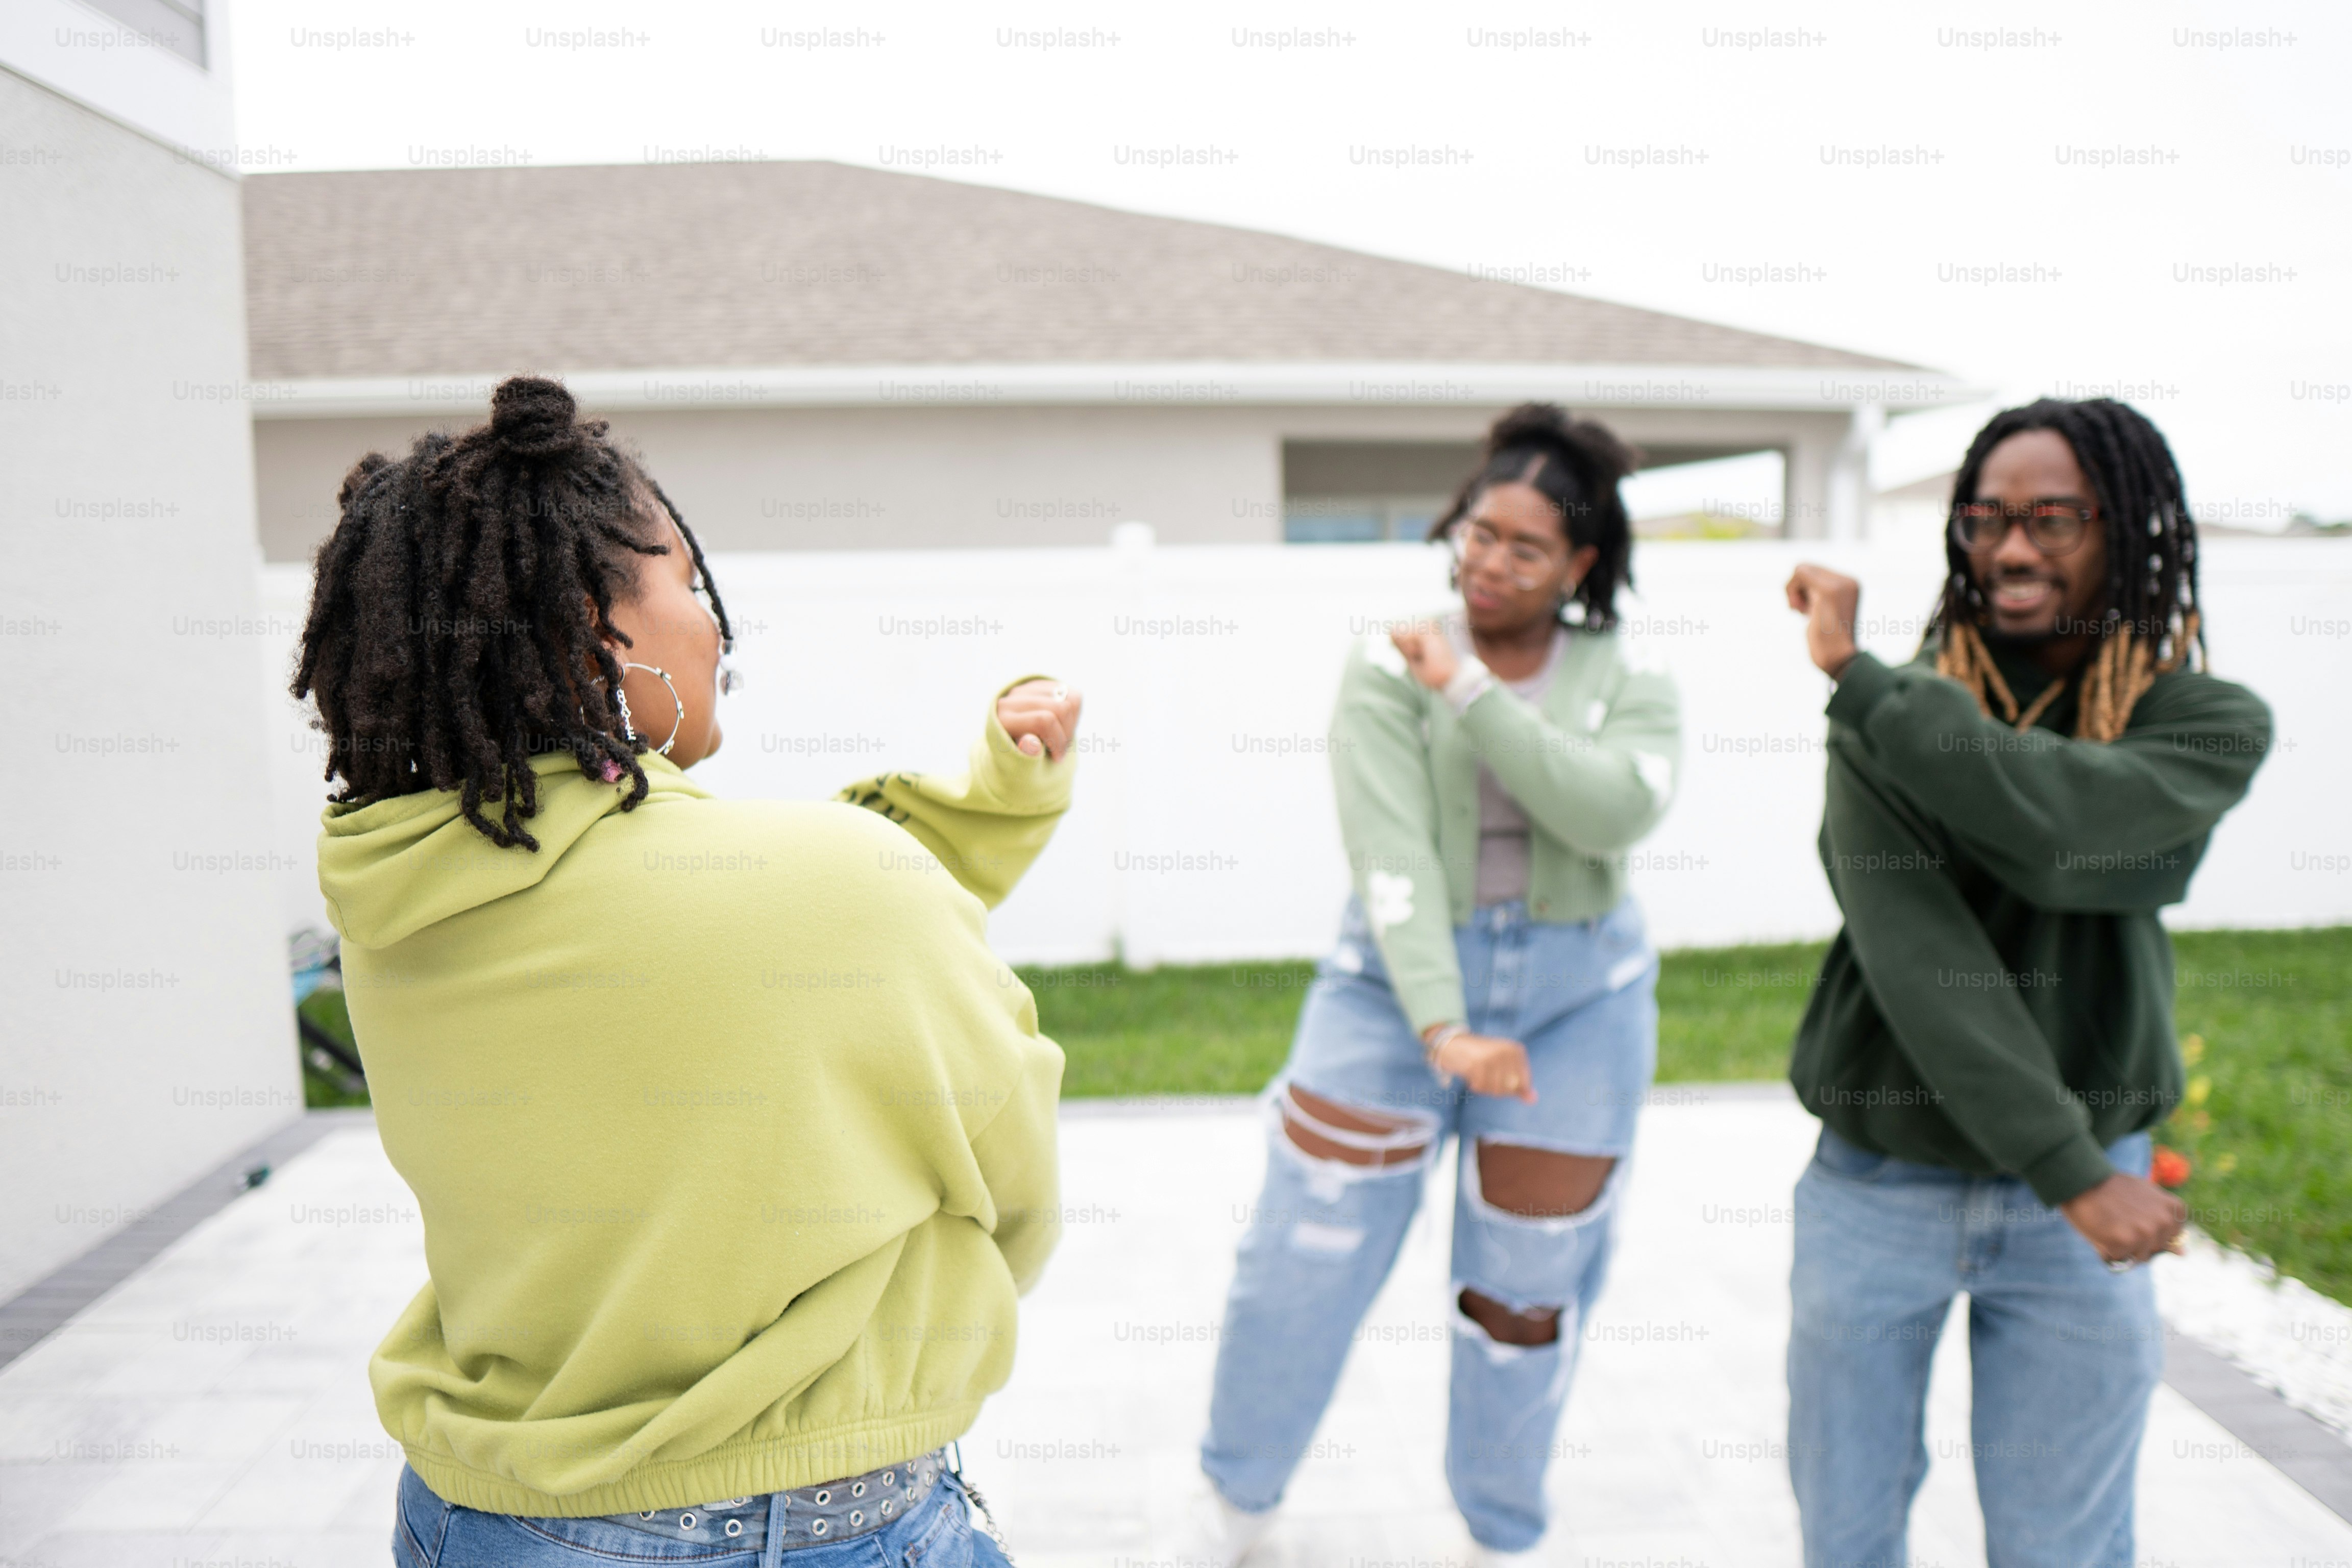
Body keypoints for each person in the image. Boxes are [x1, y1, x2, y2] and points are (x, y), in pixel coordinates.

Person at [294, 377, 1082, 1567]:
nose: (714, 623)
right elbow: (1012, 1194)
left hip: (476, 1515)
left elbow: (738, 918)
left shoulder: (404, 897)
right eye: (687, 583)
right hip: (794, 1531)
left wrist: (991, 799)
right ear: (594, 626)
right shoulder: (837, 892)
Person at [1779, 398, 2271, 1568]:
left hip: (2087, 1199)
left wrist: (1863, 681)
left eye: (2053, 519)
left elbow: (2065, 836)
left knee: (2063, 1545)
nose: (2009, 547)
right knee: (1847, 1532)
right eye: (1986, 519)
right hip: (1883, 1183)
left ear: (2127, 529)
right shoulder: (1888, 713)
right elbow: (1920, 956)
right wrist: (2071, 1170)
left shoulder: (2201, 719)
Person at [1194, 404, 1683, 1564]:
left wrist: (1468, 690)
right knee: (1301, 1262)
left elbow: (1610, 810)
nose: (1490, 561)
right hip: (1390, 988)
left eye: (1527, 547)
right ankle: (1234, 1513)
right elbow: (1392, 854)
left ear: (1581, 564)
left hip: (1580, 1002)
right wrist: (1443, 1024)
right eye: (1480, 531)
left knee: (1523, 1295)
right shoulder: (1386, 661)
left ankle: (1500, 1538)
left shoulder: (1628, 673)